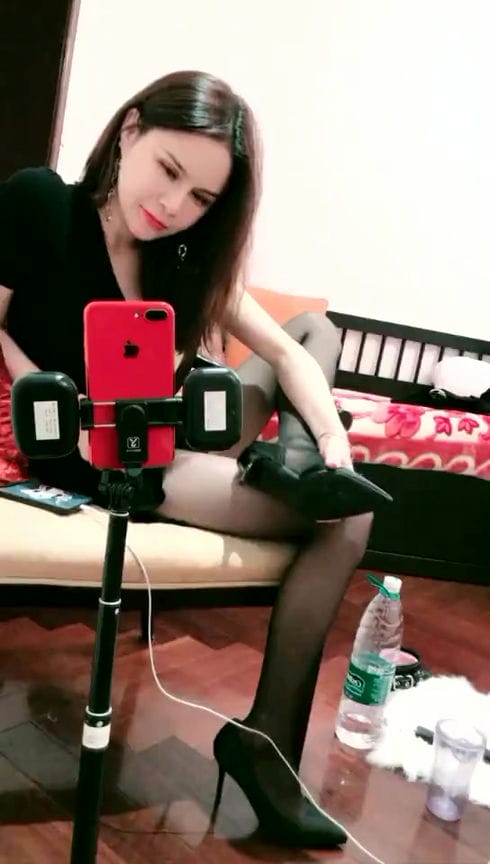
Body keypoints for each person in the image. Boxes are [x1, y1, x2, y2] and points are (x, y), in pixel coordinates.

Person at [0, 70, 390, 849]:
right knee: (348, 521)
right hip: (114, 455)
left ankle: (296, 464)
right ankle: (265, 748)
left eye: (202, 198)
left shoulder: (183, 255)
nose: (173, 206)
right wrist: (50, 400)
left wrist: (333, 448)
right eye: (169, 171)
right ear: (130, 131)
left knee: (314, 331)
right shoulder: (40, 203)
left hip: (187, 424)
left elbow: (289, 353)